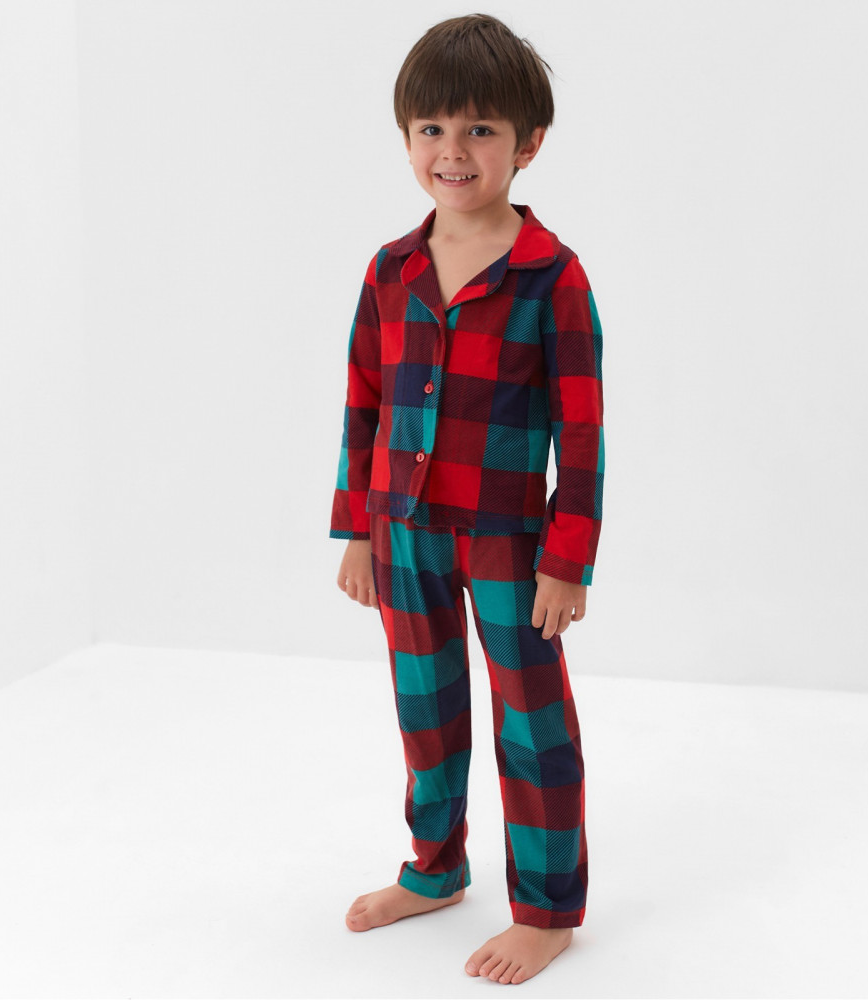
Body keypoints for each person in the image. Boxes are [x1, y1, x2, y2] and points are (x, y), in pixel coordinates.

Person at [329, 13, 605, 986]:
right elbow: (363, 401)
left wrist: (566, 560)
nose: (453, 150)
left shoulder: (552, 278)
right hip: (400, 529)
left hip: (507, 541)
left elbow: (582, 433)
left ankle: (548, 909)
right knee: (427, 708)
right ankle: (435, 867)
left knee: (531, 718)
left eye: (480, 129)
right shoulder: (390, 269)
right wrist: (355, 528)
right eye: (432, 128)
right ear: (407, 138)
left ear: (529, 144)